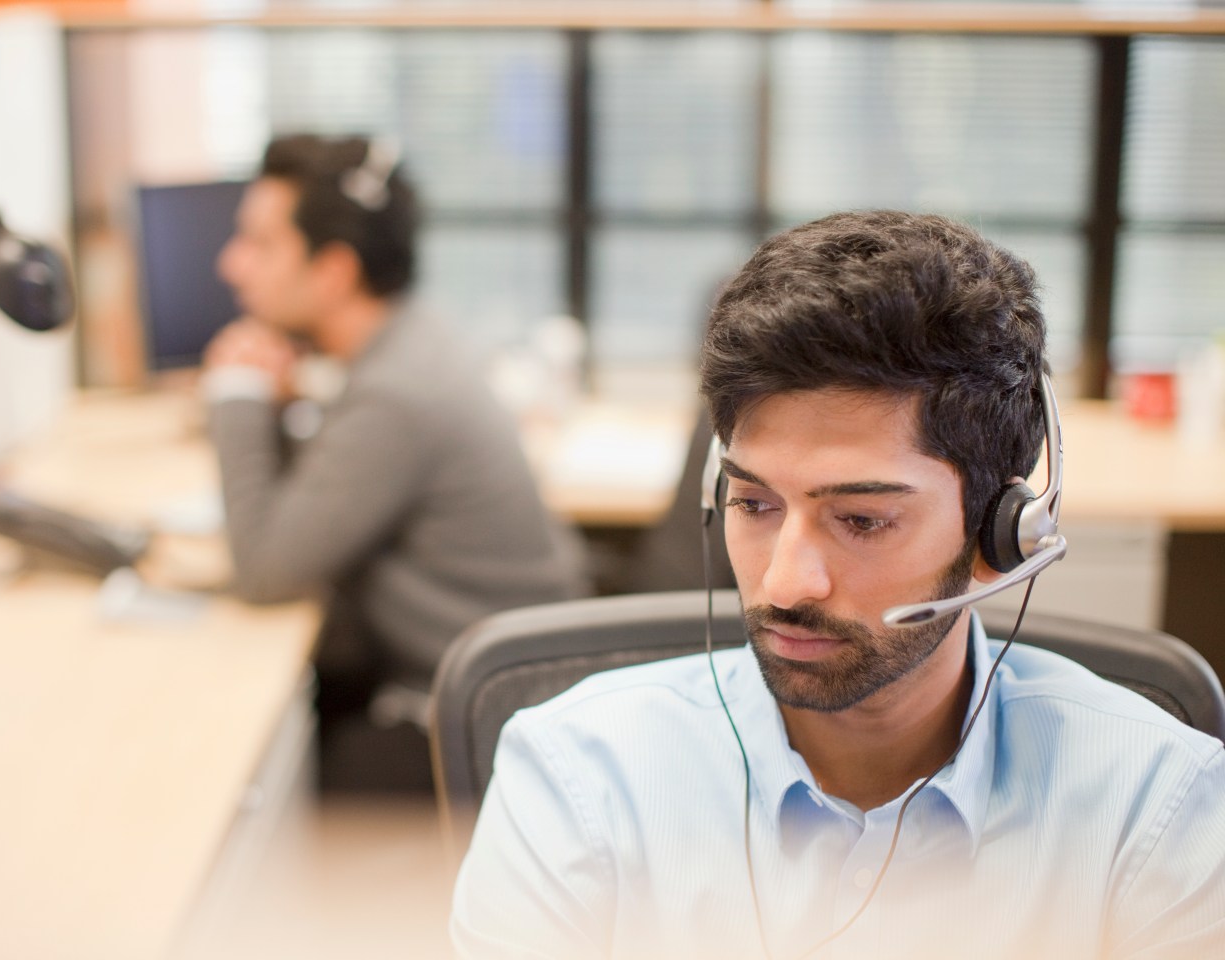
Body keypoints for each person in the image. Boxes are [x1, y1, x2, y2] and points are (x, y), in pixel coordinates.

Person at [450, 211, 1225, 958]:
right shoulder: (577, 779)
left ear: (1002, 535)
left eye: (860, 520)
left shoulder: (1155, 807)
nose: (785, 581)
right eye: (754, 504)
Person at [203, 134, 587, 791]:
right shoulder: (411, 338)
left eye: (260, 245)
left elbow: (265, 569)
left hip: (480, 720)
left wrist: (236, 392)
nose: (230, 266)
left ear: (333, 272)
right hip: (510, 680)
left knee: (242, 772)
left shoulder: (394, 396)